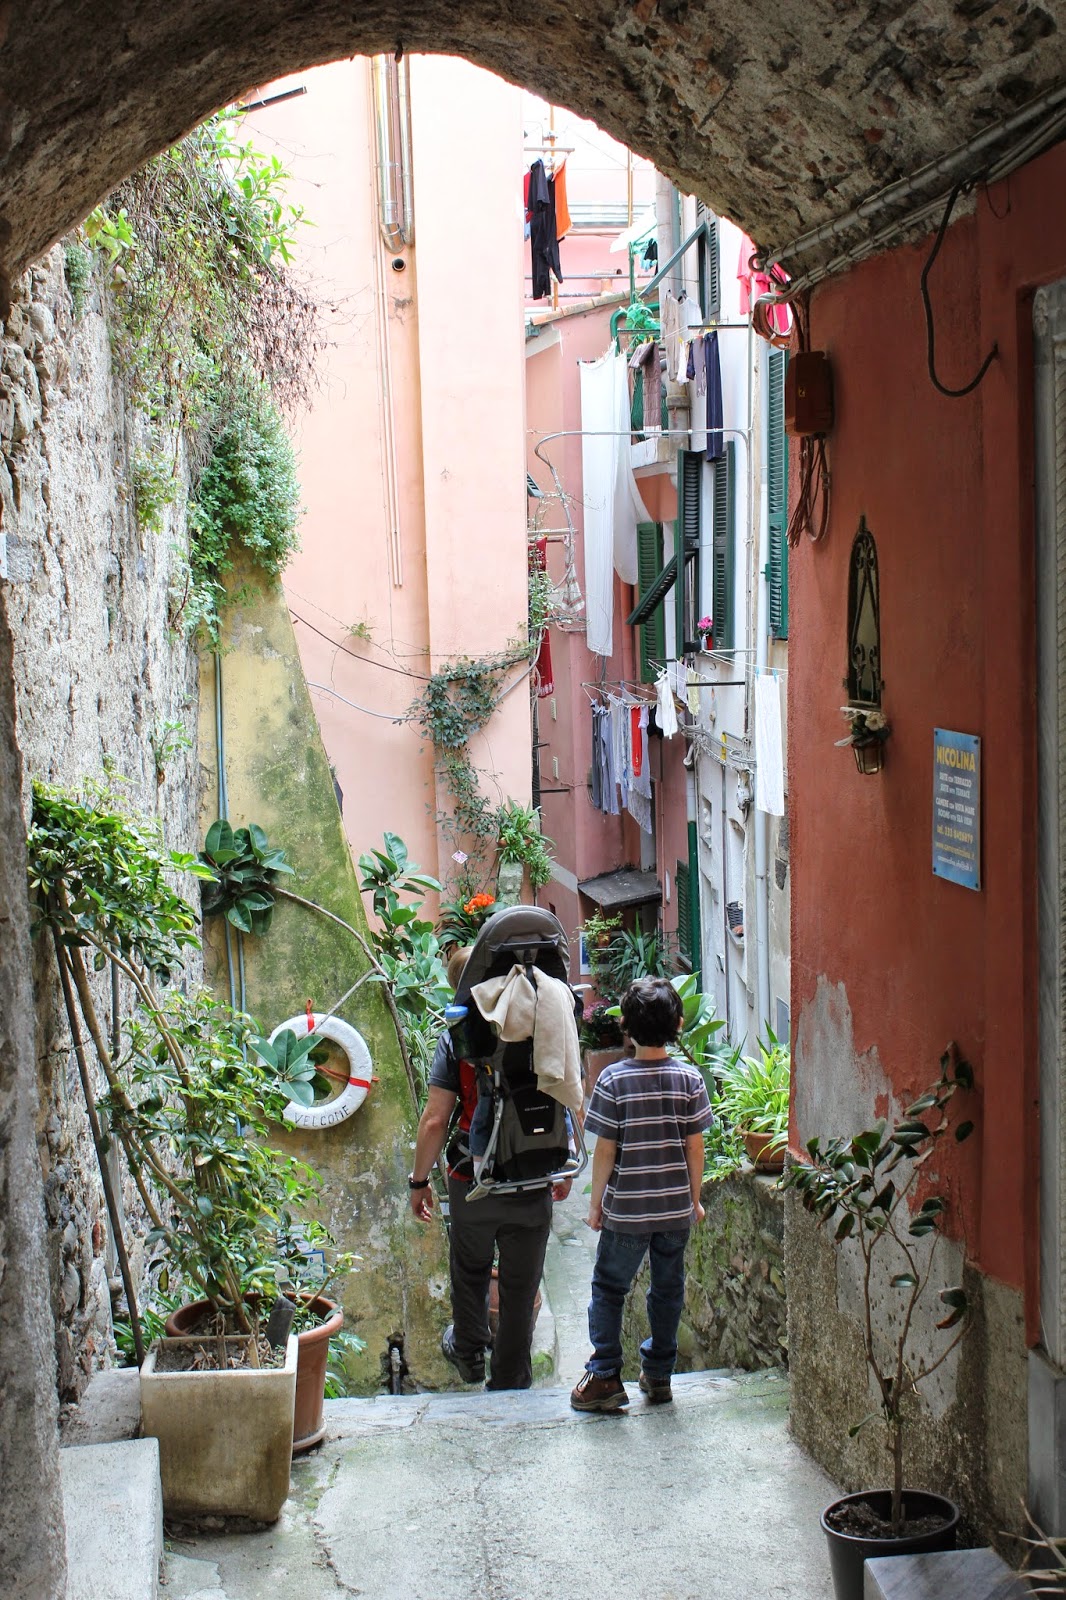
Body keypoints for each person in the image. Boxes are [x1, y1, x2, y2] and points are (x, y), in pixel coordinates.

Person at [408, 946, 572, 1390]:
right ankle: (510, 1381)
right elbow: (565, 1089)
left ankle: (468, 1355)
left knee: (470, 1270)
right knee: (521, 1287)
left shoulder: (458, 1037)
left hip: (473, 1179)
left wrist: (418, 1181)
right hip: (533, 1174)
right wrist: (565, 1165)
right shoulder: (542, 1023)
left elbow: (436, 1119)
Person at [570, 975, 712, 1411]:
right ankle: (659, 1374)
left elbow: (605, 1151)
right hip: (673, 1212)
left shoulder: (613, 1081)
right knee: (667, 1290)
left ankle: (607, 1376)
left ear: (626, 1026)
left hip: (627, 1213)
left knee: (610, 1288)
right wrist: (694, 1199)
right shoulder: (689, 1080)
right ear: (679, 1023)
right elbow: (695, 1147)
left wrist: (595, 1205)